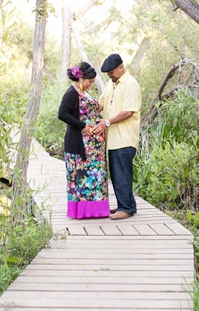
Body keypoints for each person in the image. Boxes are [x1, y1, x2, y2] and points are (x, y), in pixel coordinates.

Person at [57, 62, 110, 219]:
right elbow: (62, 114)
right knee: (81, 178)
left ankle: (97, 210)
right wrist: (82, 126)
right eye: (89, 82)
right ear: (81, 79)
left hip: (94, 149)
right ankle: (81, 211)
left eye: (93, 82)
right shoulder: (71, 94)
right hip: (81, 146)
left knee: (96, 178)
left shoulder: (84, 93)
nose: (90, 85)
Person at [94, 54, 142, 220]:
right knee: (116, 174)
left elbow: (128, 111)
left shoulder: (131, 84)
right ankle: (127, 204)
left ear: (121, 68)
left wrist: (107, 122)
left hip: (124, 137)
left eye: (112, 72)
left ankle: (126, 208)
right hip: (112, 138)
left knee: (122, 174)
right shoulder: (110, 84)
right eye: (108, 74)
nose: (110, 76)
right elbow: (100, 104)